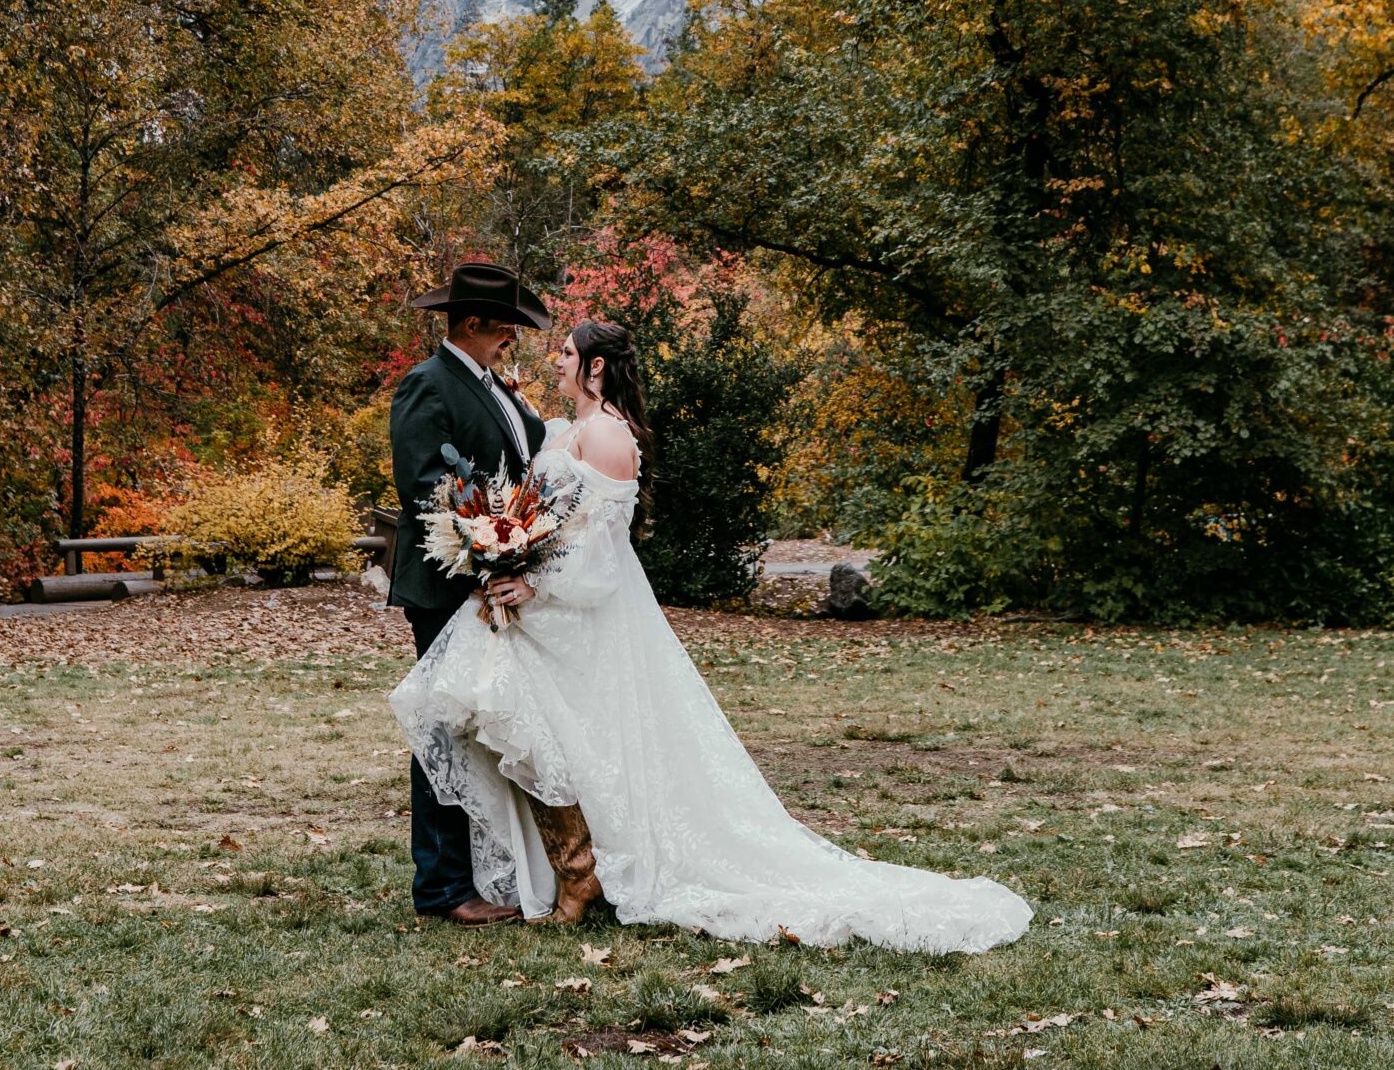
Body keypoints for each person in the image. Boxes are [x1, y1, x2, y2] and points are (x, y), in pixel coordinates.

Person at [391, 317, 1033, 952]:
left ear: (595, 367)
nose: (553, 359)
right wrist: (507, 551)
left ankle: (582, 874)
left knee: (560, 736)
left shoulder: (609, 436)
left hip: (569, 612)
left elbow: (602, 550)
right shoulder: (565, 428)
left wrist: (534, 582)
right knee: (526, 728)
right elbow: (548, 519)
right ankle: (560, 871)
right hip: (539, 613)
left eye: (566, 352)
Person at [387, 260, 550, 924]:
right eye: (507, 324)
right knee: (444, 728)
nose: (514, 335)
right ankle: (442, 889)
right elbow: (427, 487)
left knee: (482, 727)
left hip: (493, 582)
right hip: (448, 585)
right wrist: (486, 562)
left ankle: (490, 870)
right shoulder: (427, 385)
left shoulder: (492, 385)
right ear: (476, 322)